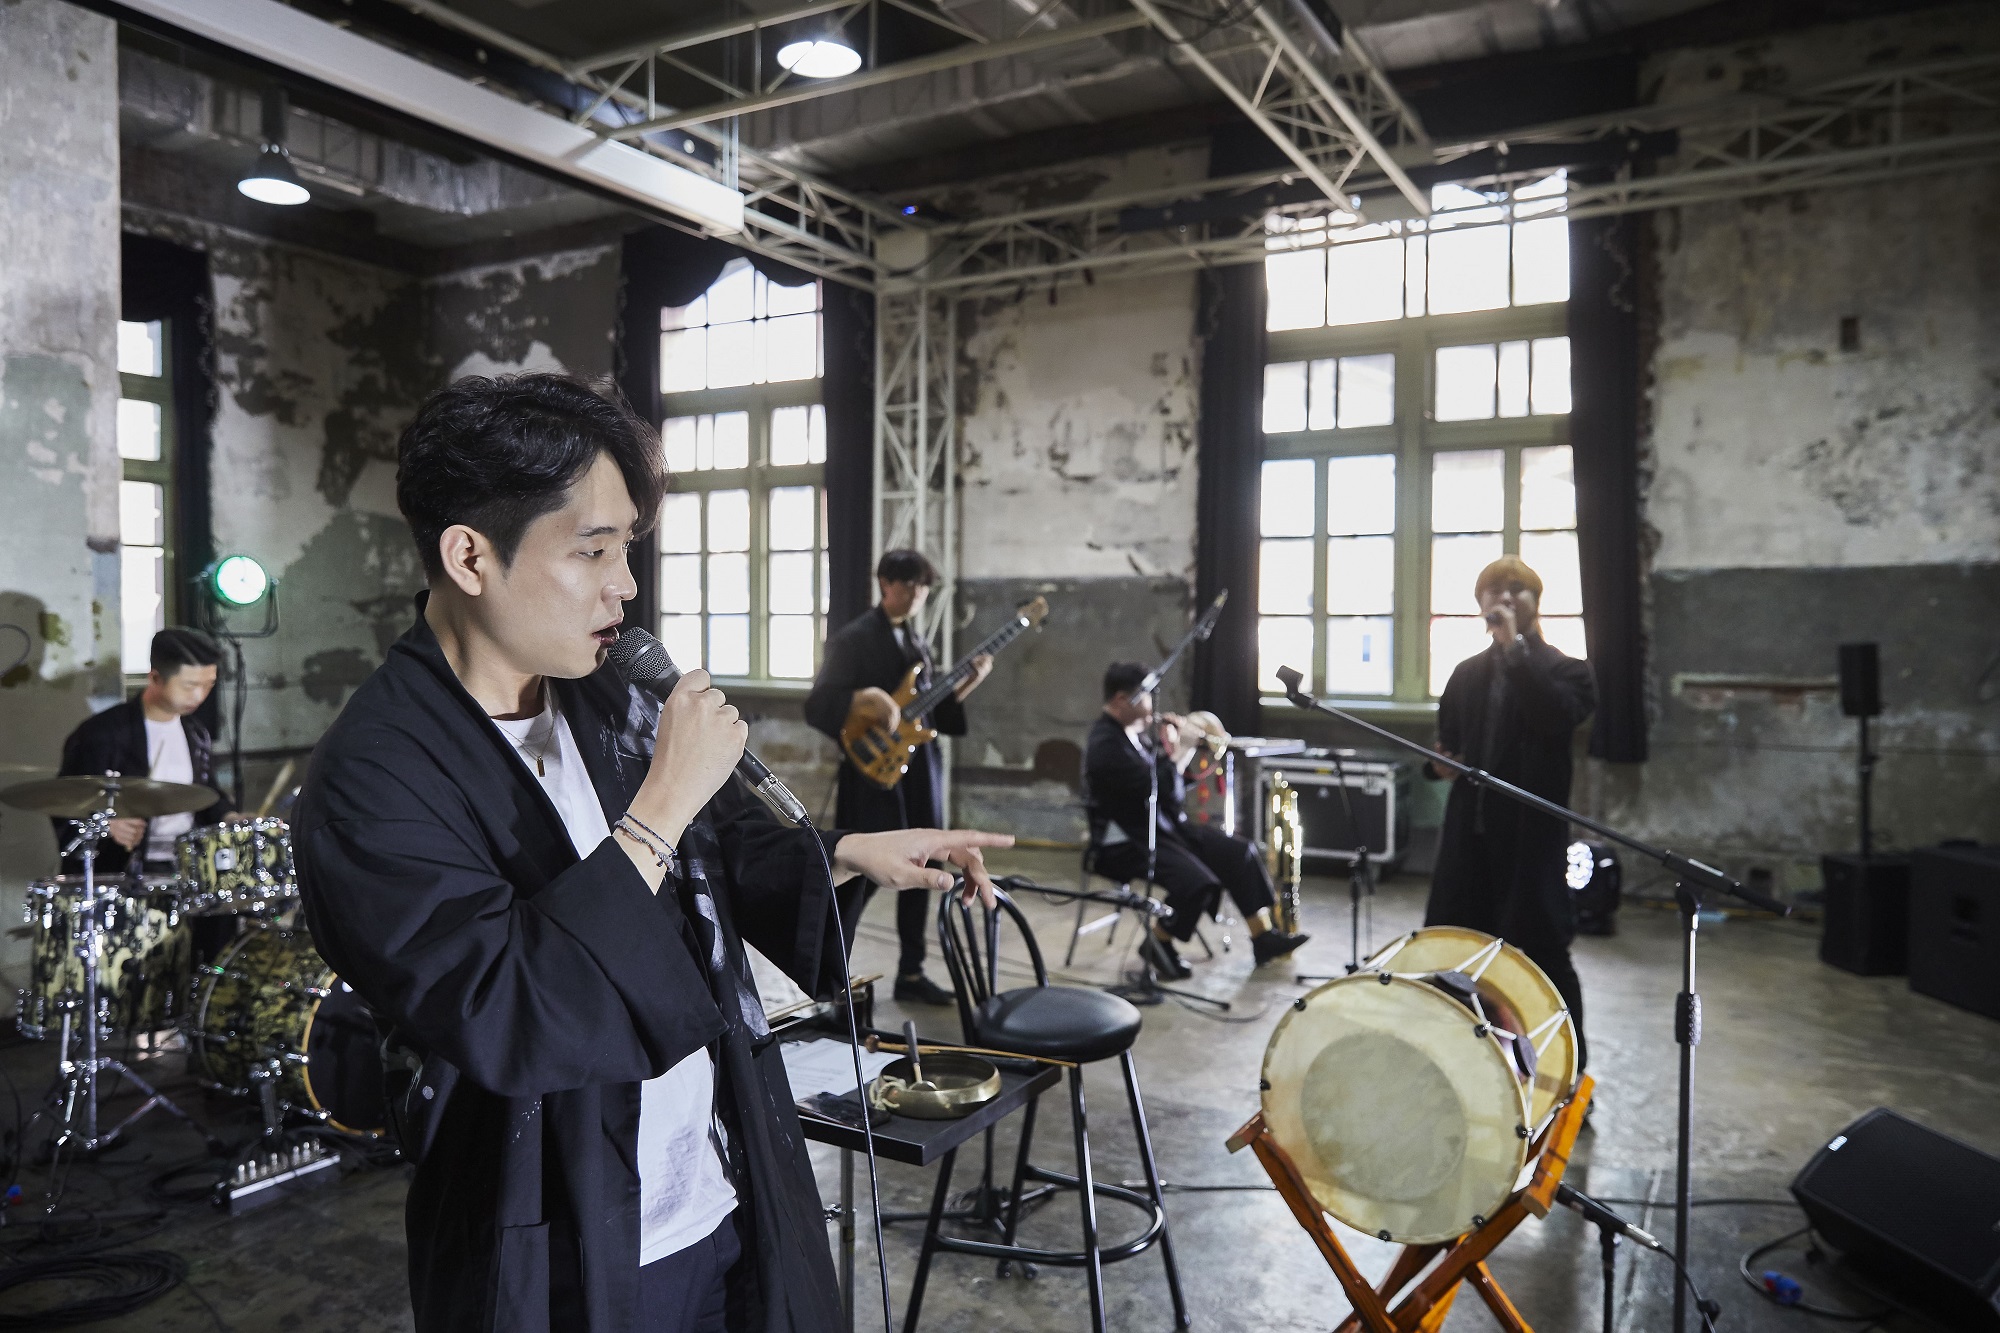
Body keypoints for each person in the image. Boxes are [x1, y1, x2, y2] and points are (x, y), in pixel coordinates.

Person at [293, 373, 1009, 1333]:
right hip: (560, 1234)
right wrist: (661, 804)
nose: (625, 585)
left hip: (718, 1178)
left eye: (626, 547)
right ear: (470, 555)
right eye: (592, 550)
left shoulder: (603, 693)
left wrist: (850, 851)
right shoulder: (374, 774)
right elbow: (505, 1002)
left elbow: (714, 862)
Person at [1425, 555, 1596, 1069]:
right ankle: (1463, 1066)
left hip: (1530, 843)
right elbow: (1448, 742)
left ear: (1535, 602)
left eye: (1516, 590)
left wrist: (1516, 650)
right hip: (1469, 839)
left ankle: (1567, 1076)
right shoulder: (1465, 674)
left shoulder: (1568, 671)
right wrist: (1440, 764)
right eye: (1492, 590)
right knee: (1453, 952)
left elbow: (1553, 716)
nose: (1502, 598)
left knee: (1544, 957)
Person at [803, 550, 991, 1006]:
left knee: (925, 864)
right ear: (885, 583)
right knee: (858, 872)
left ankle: (911, 971)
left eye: (923, 587)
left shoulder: (916, 641)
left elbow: (929, 712)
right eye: (908, 585)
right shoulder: (854, 639)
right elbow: (819, 704)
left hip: (919, 771)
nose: (917, 595)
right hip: (872, 772)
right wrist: (865, 699)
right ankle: (829, 976)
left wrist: (968, 682)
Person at [1084, 661, 1308, 977]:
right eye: (1147, 697)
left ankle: (1262, 937)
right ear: (1122, 699)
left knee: (1239, 853)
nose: (1154, 706)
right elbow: (1153, 789)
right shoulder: (1105, 743)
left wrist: (1177, 750)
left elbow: (1166, 789)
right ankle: (1159, 940)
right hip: (1125, 841)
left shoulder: (1135, 736)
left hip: (1162, 827)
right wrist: (1183, 750)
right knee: (1198, 883)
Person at [55, 627, 228, 876]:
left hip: (188, 866)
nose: (200, 695)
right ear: (155, 678)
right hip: (123, 871)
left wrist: (230, 815)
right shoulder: (102, 733)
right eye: (190, 686)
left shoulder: (196, 733)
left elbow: (207, 794)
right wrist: (107, 826)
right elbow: (66, 802)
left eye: (209, 685)